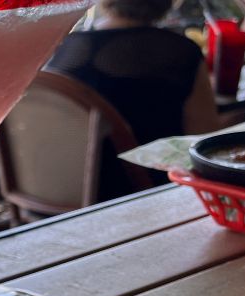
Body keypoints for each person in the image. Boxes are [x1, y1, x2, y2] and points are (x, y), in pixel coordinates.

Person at [46, 0, 220, 196]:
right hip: (143, 192)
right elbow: (204, 141)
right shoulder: (180, 53)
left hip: (57, 190)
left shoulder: (61, 48)